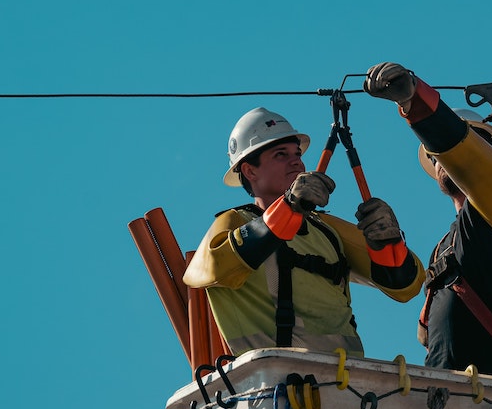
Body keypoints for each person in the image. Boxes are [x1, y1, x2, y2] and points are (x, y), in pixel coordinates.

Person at [362, 62, 492, 385]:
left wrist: (415, 99)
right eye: (435, 156)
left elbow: (473, 165)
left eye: (444, 152)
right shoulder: (443, 249)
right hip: (448, 407)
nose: (441, 159)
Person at [182, 107, 425, 357]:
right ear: (249, 171)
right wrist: (286, 209)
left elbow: (405, 286)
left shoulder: (326, 230)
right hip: (276, 380)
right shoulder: (234, 222)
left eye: (297, 153)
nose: (296, 160)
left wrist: (389, 242)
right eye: (280, 154)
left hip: (347, 381)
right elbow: (210, 268)